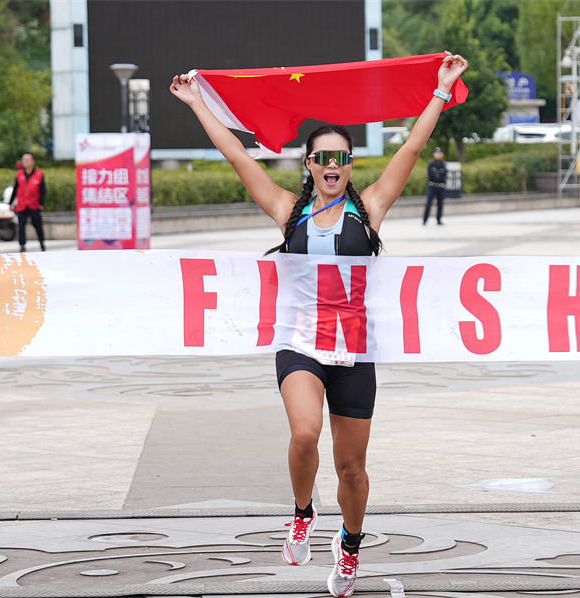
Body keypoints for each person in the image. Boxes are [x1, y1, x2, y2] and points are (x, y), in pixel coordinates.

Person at [170, 51, 468, 598]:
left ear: (349, 165)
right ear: (308, 164)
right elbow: (237, 155)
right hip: (300, 343)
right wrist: (195, 102)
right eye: (322, 157)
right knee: (305, 433)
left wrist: (442, 90)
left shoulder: (369, 208)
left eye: (342, 158)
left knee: (351, 469)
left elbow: (411, 148)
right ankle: (303, 512)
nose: (332, 165)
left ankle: (349, 545)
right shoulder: (289, 211)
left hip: (354, 350)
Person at [11, 152, 46, 252]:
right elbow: (15, 189)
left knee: (37, 225)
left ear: (33, 161)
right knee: (21, 226)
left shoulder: (39, 174)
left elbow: (43, 190)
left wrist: (41, 203)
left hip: (34, 204)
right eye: (23, 160)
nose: (24, 162)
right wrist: (11, 202)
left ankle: (42, 242)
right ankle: (22, 245)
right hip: (22, 204)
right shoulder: (19, 174)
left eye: (26, 160)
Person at [423, 146, 447, 225]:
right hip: (433, 186)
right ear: (434, 154)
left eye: (440, 153)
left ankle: (439, 219)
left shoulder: (443, 164)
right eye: (437, 153)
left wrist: (438, 174)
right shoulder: (431, 164)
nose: (438, 155)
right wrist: (438, 174)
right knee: (429, 203)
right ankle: (425, 219)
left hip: (440, 186)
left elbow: (444, 173)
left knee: (440, 203)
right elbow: (431, 174)